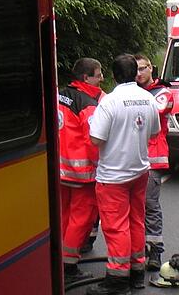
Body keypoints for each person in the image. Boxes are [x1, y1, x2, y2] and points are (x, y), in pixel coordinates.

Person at [87, 54, 162, 294]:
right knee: (136, 221)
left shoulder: (109, 102)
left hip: (113, 176)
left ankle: (118, 280)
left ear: (114, 75)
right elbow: (154, 133)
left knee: (116, 227)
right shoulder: (147, 99)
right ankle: (137, 271)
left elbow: (96, 138)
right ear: (134, 74)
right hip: (140, 171)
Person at [58, 58, 104, 285]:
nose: (102, 79)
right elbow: (93, 140)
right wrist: (102, 166)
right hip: (82, 172)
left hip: (60, 171)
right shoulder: (87, 103)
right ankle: (69, 265)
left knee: (63, 215)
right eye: (98, 75)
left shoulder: (59, 94)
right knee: (82, 218)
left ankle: (58, 259)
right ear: (86, 78)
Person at [135, 53, 173, 271]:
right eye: (136, 70)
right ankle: (139, 250)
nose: (139, 73)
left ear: (151, 68)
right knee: (135, 207)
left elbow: (155, 112)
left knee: (150, 206)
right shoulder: (134, 92)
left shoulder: (163, 92)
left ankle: (155, 251)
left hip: (153, 158)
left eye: (143, 68)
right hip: (132, 157)